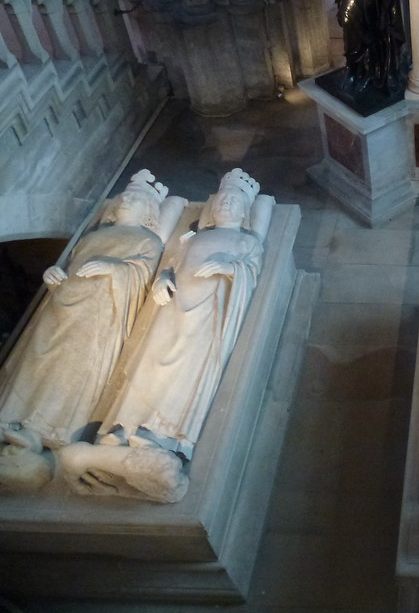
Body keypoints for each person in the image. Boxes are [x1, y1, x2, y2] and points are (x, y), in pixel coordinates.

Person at [95, 169, 267, 460]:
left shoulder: (247, 242)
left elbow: (250, 271)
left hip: (207, 316)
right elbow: (171, 265)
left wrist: (229, 267)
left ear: (244, 212)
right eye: (222, 199)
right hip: (172, 309)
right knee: (148, 365)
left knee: (185, 372)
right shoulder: (192, 239)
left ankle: (160, 432)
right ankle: (124, 425)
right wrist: (162, 280)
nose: (225, 204)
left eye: (233, 201)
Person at [0, 170, 170, 448]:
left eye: (135, 199)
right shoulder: (90, 238)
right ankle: (11, 417)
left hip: (99, 312)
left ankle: (48, 427)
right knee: (35, 359)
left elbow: (141, 276)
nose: (127, 200)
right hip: (62, 306)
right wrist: (54, 275)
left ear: (149, 209)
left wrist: (114, 268)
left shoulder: (147, 241)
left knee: (72, 365)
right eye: (124, 196)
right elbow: (72, 268)